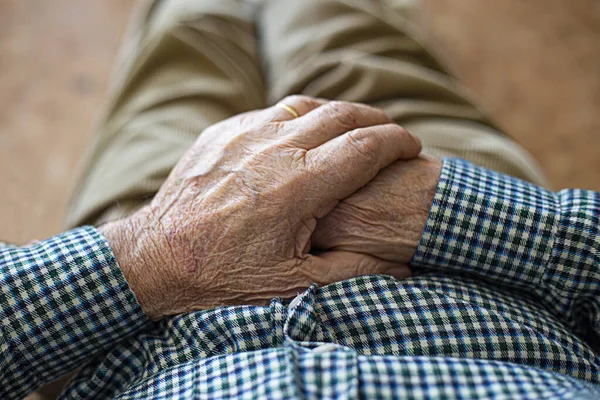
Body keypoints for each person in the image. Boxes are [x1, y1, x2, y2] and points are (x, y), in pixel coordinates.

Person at [1, 0, 599, 398]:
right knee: (353, 36)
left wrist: (153, 254)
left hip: (125, 315)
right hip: (483, 261)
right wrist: (476, 218)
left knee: (181, 56)